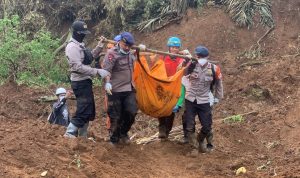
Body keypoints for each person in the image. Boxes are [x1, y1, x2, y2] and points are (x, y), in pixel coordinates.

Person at [64, 20, 110, 138]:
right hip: (79, 82)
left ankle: (82, 136)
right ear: (77, 33)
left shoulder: (80, 45)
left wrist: (100, 46)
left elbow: (89, 58)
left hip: (85, 81)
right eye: (82, 33)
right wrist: (97, 71)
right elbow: (77, 67)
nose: (84, 35)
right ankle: (69, 133)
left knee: (89, 110)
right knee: (84, 109)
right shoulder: (72, 47)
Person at [182, 45, 223, 152]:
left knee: (207, 125)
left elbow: (219, 83)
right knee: (189, 125)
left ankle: (200, 140)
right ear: (196, 56)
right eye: (198, 56)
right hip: (190, 99)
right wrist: (186, 63)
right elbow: (182, 73)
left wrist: (218, 97)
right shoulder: (191, 65)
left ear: (207, 57)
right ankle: (194, 147)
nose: (200, 58)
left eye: (202, 56)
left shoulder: (214, 68)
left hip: (204, 99)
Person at [102, 32, 138, 145]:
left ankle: (123, 132)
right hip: (115, 90)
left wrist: (140, 50)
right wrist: (107, 83)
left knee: (131, 112)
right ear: (120, 42)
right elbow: (107, 71)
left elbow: (139, 57)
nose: (127, 48)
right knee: (115, 116)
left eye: (129, 46)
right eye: (125, 45)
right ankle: (114, 139)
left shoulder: (130, 53)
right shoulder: (111, 54)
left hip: (129, 89)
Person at [157, 36, 190, 140]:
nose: (174, 49)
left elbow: (190, 61)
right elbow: (157, 68)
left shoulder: (181, 59)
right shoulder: (163, 57)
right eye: (172, 47)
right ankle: (162, 128)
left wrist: (187, 54)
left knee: (171, 110)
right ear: (169, 47)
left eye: (176, 47)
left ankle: (167, 131)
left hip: (176, 86)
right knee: (162, 108)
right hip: (164, 85)